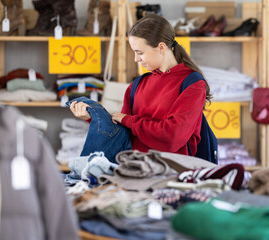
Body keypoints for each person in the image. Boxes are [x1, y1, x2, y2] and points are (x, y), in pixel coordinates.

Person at [70, 14, 212, 157]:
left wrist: (129, 120)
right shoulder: (137, 85)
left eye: (140, 52)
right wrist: (92, 118)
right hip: (133, 171)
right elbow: (122, 134)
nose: (136, 59)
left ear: (161, 47)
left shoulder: (192, 84)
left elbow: (172, 137)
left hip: (171, 174)